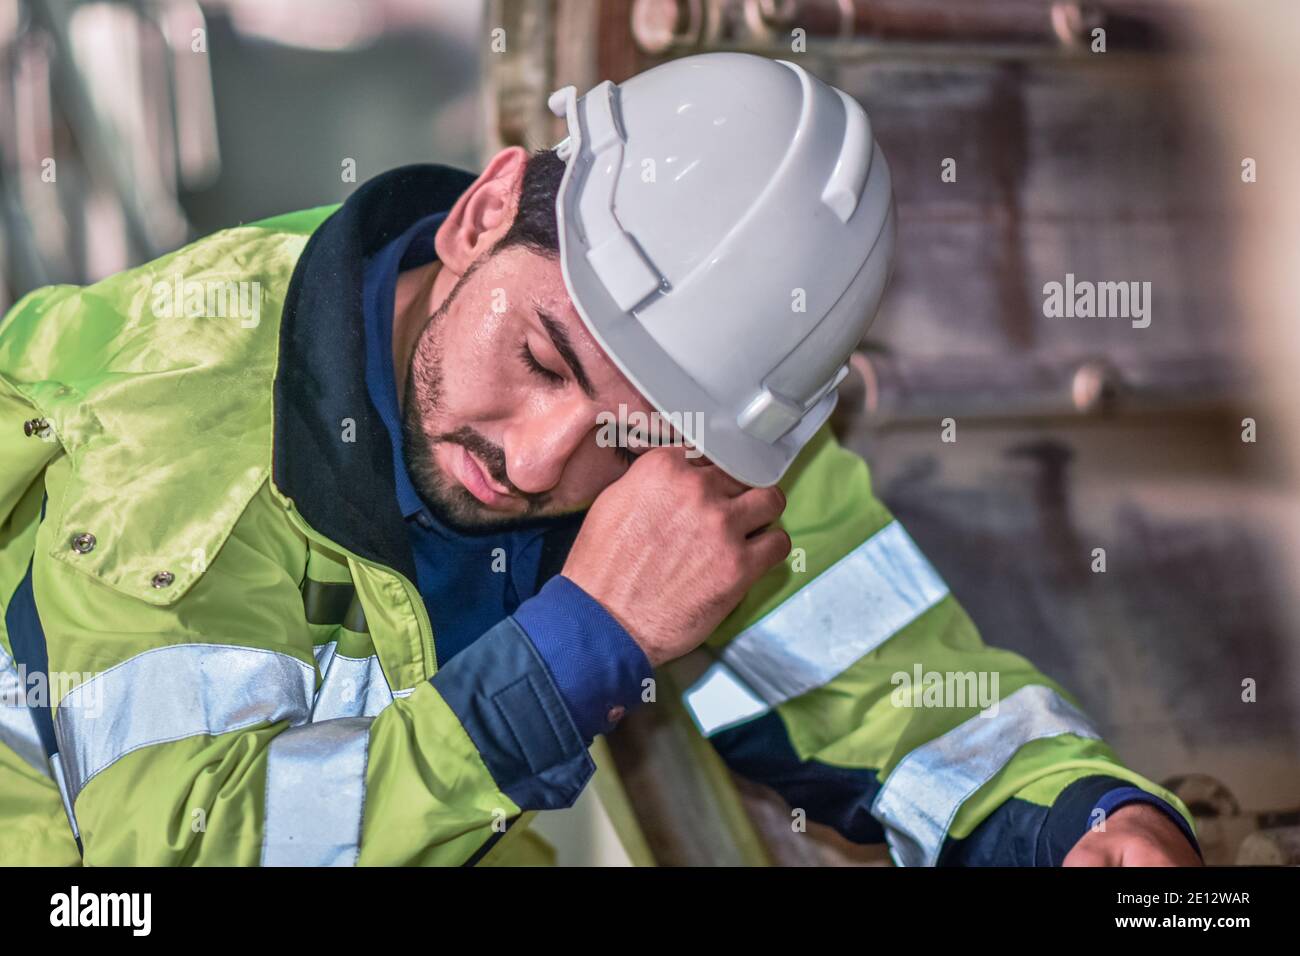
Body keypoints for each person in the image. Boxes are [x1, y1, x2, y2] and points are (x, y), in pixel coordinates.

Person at [0, 53, 1199, 866]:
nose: (536, 461)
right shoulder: (175, 434)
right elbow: (171, 857)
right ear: (482, 213)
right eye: (543, 356)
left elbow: (877, 675)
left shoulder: (690, 438)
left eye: (633, 434)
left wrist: (1081, 818)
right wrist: (580, 646)